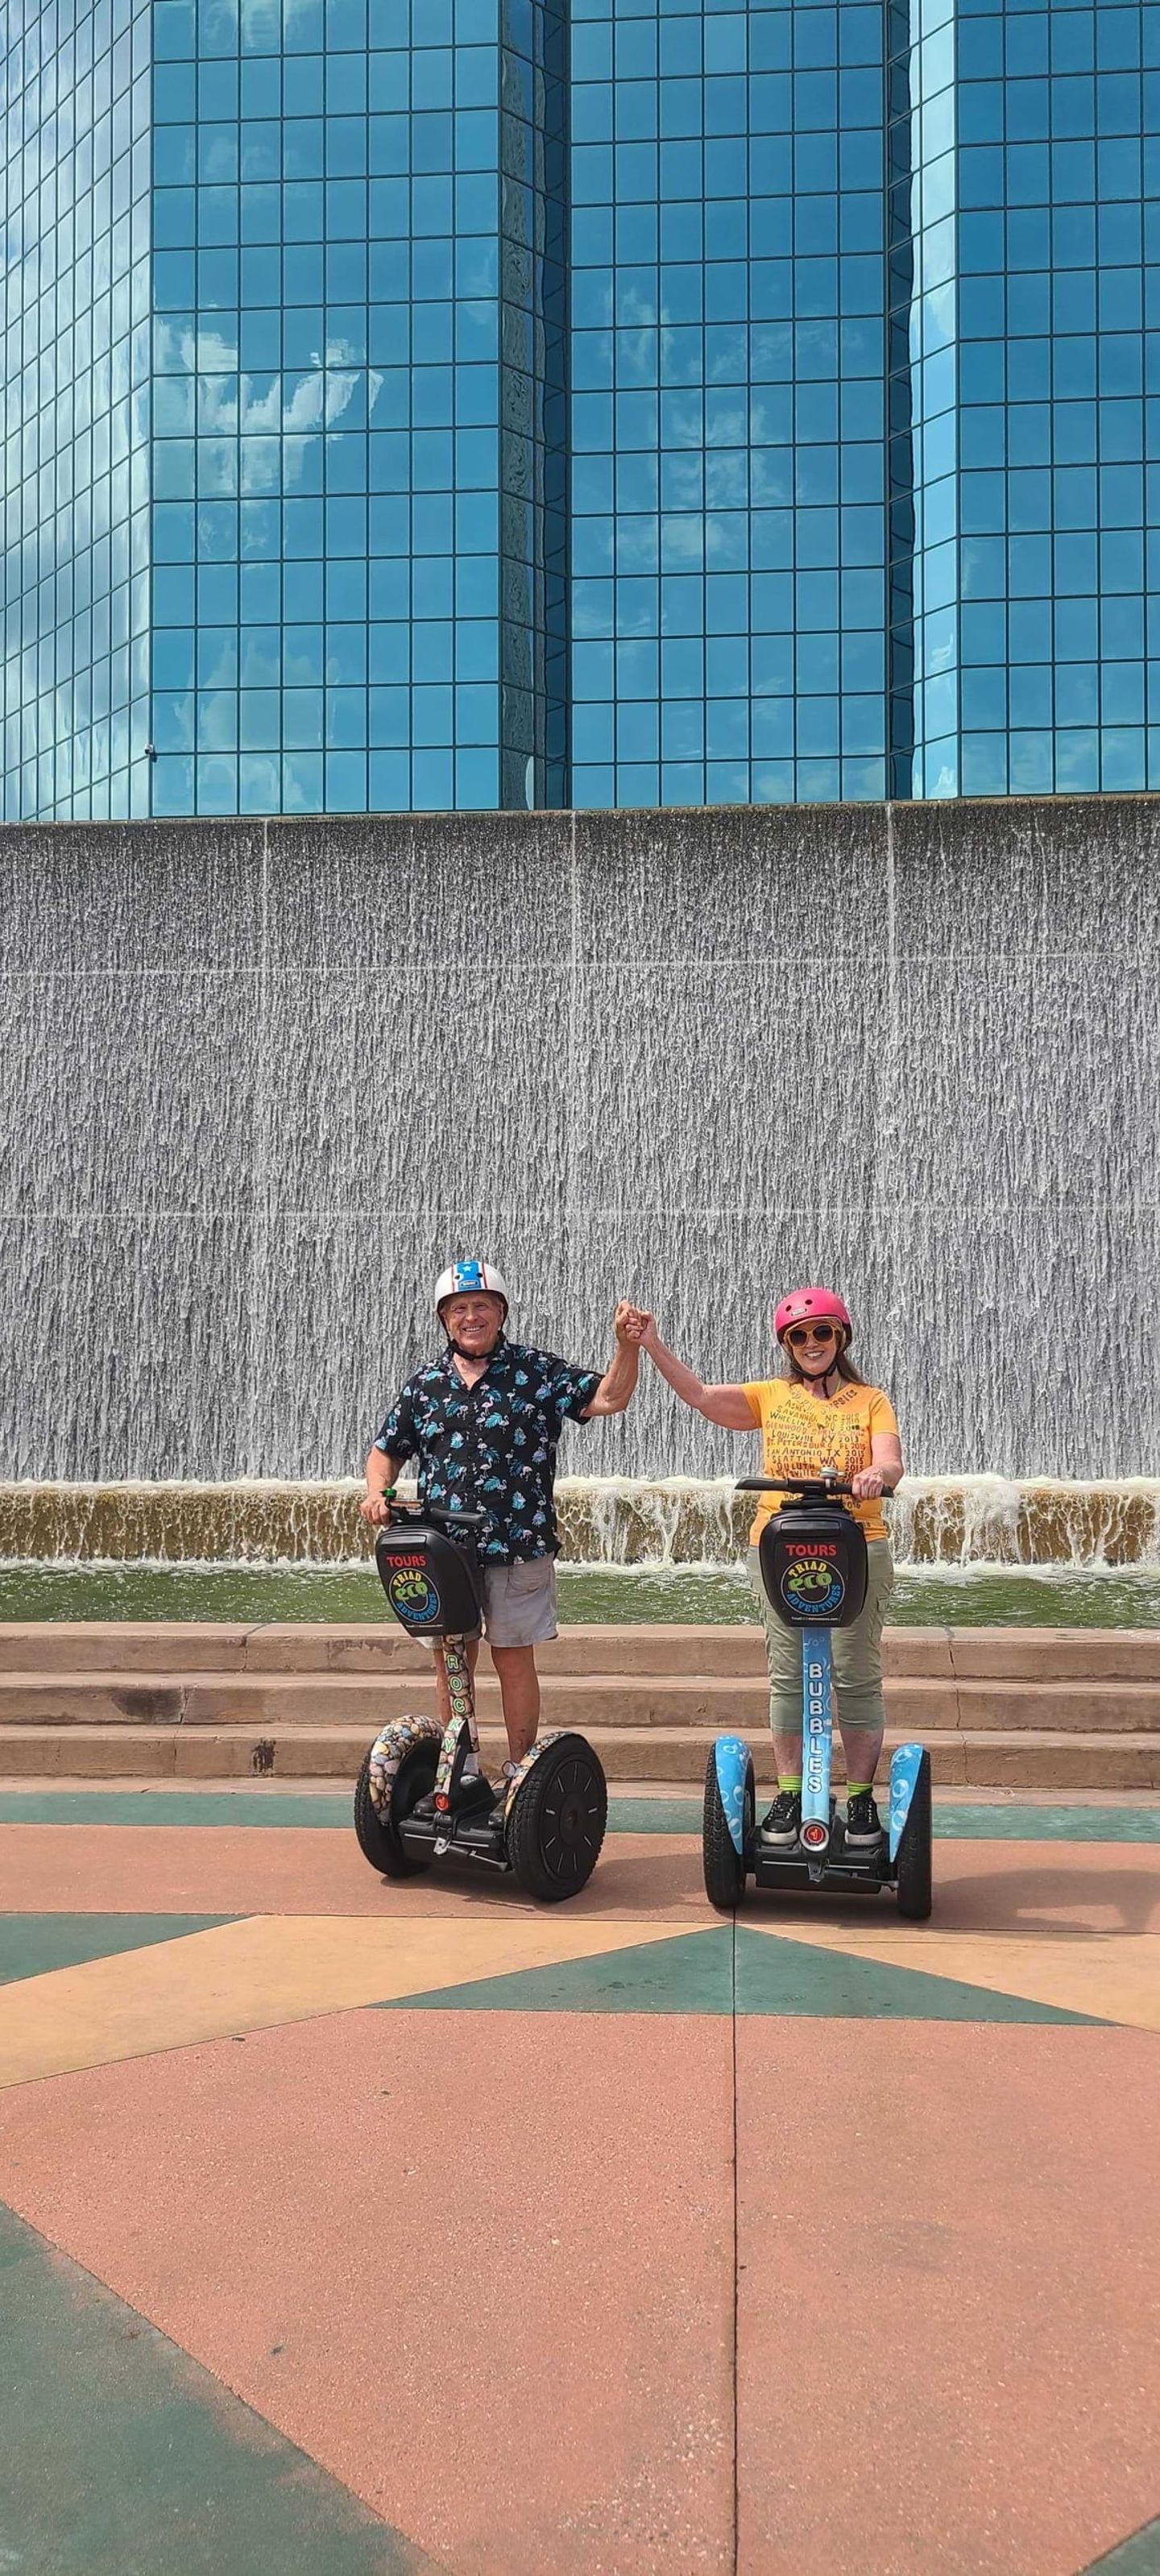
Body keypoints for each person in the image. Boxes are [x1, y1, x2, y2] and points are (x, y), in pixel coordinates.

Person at [624, 1288, 903, 1849]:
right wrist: (651, 1342)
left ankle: (861, 1800)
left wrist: (878, 1474)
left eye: (821, 1332)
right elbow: (701, 1395)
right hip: (782, 1548)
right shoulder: (771, 1396)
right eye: (799, 1336)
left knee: (854, 1672)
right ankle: (793, 1792)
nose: (811, 1344)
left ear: (839, 1337)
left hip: (857, 1543)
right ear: (788, 1345)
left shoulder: (869, 1399)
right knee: (787, 1672)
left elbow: (890, 1457)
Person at [361, 1260, 640, 1790]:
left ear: (502, 1312)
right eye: (459, 1308)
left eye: (482, 1306)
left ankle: (521, 1775)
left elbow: (610, 1396)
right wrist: (376, 1492)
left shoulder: (536, 1371)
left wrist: (626, 1346)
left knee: (514, 1661)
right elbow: (385, 1452)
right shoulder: (425, 1386)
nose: (471, 1316)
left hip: (519, 1544)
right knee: (452, 1663)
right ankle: (460, 1768)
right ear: (445, 1320)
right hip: (444, 1551)